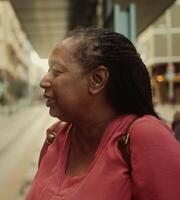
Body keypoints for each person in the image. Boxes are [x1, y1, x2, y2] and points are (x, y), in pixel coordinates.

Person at [26, 28, 180, 200]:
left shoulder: (146, 136)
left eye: (56, 72)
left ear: (97, 80)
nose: (43, 81)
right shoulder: (55, 137)